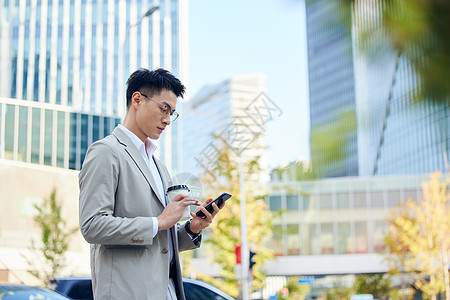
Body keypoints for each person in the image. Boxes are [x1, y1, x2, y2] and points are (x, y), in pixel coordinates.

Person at [79, 68, 221, 300]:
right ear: (137, 99)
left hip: (167, 291)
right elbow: (92, 225)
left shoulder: (159, 166)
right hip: (128, 293)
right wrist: (159, 221)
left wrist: (193, 227)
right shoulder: (106, 152)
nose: (167, 119)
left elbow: (161, 240)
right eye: (163, 108)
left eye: (172, 113)